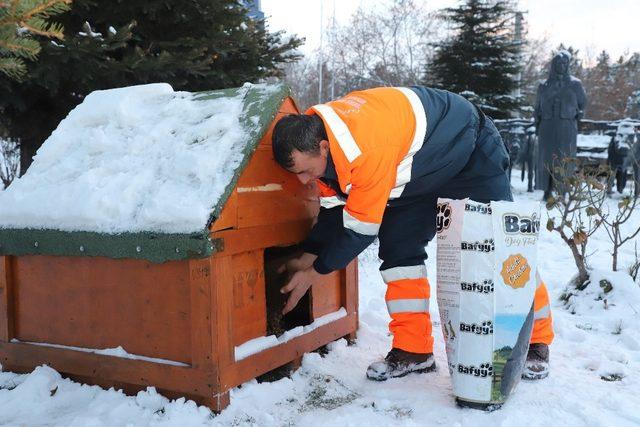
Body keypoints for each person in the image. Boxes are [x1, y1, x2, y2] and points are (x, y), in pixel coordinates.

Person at [271, 86, 554, 381]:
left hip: (469, 150)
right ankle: (413, 349)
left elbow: (361, 231)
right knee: (398, 250)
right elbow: (333, 212)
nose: (304, 180)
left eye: (306, 170)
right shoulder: (322, 142)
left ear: (323, 148)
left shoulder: (364, 147)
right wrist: (309, 254)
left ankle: (536, 340)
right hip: (419, 174)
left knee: (502, 247)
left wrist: (316, 270)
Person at [534, 51, 587, 200]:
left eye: (564, 63)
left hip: (566, 127)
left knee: (565, 159)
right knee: (547, 158)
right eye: (558, 63)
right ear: (553, 65)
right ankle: (546, 190)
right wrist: (537, 124)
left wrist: (579, 114)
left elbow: (583, 103)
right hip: (547, 126)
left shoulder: (575, 84)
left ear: (568, 65)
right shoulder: (544, 85)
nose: (561, 66)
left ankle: (562, 190)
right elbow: (537, 107)